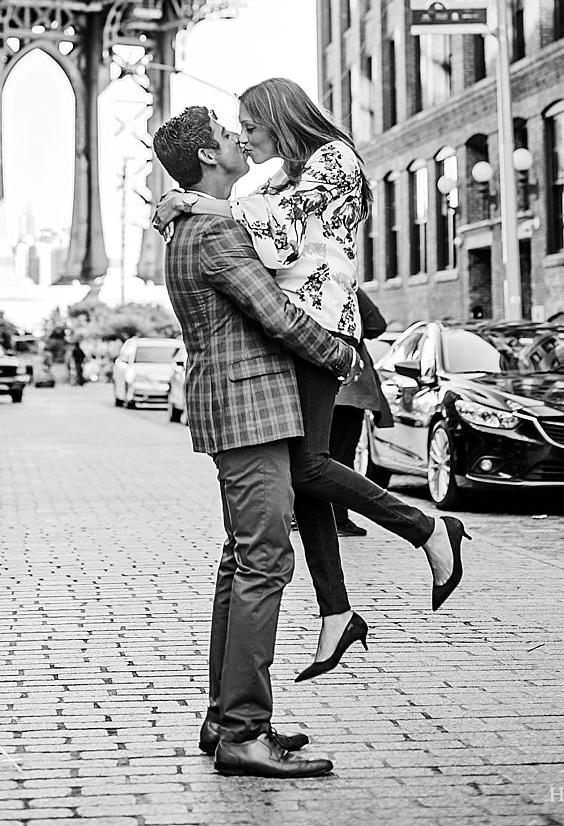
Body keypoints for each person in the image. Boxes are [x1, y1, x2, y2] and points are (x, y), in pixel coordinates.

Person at [155, 78, 470, 681]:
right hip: (300, 328)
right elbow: (255, 221)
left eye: (248, 125)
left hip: (322, 329)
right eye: (235, 130)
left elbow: (276, 238)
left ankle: (429, 527)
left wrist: (190, 201)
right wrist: (196, 200)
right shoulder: (280, 176)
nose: (243, 138)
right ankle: (336, 611)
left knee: (305, 468)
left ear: (278, 116)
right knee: (304, 478)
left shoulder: (334, 159)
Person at [152, 106, 356, 779]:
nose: (241, 137)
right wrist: (338, 352)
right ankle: (243, 730)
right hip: (250, 411)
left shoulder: (195, 220)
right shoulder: (213, 235)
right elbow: (276, 317)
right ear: (210, 157)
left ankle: (226, 716)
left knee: (241, 560)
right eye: (228, 132)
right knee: (265, 559)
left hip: (236, 408)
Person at [328, 288, 394, 538]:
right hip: (348, 386)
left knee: (312, 456)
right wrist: (353, 330)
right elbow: (377, 324)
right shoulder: (346, 284)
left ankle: (306, 516)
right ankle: (339, 518)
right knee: (341, 457)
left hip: (312, 383)